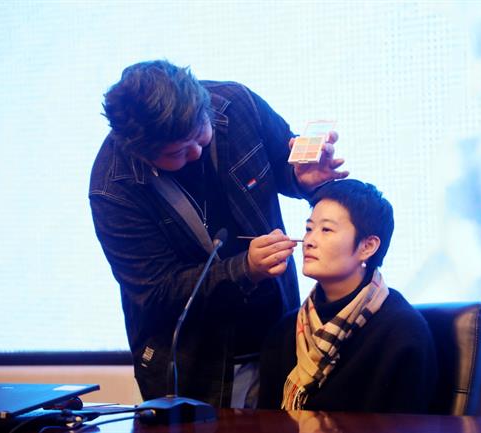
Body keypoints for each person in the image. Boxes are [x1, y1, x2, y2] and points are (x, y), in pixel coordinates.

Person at [88, 60, 348, 408]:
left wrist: (303, 180)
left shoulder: (235, 103)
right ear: (141, 151)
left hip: (276, 334)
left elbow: (286, 165)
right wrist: (245, 269)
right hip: (196, 364)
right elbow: (157, 293)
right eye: (178, 152)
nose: (196, 151)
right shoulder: (114, 189)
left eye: (200, 133)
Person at [258, 179, 437, 413]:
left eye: (326, 230)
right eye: (309, 229)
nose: (309, 241)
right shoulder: (285, 330)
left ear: (367, 247)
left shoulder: (402, 331)